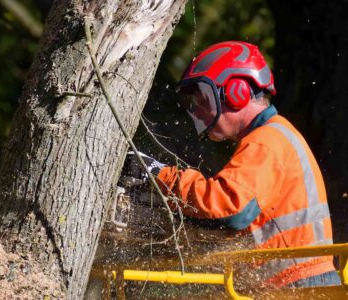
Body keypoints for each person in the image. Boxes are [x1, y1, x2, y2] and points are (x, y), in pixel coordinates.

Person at [130, 41, 340, 289]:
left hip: (299, 285)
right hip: (296, 282)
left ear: (236, 92)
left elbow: (230, 208)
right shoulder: (273, 137)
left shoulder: (266, 141)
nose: (198, 112)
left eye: (204, 100)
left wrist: (158, 174)